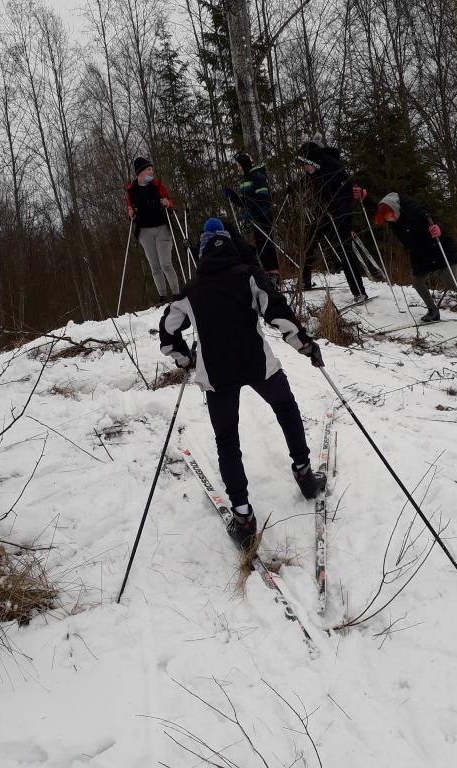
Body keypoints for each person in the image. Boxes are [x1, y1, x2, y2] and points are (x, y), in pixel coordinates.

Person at [160, 218, 326, 548]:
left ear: (203, 253)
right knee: (285, 407)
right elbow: (277, 311)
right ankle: (305, 474)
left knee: (227, 440)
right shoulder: (250, 274)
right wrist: (305, 346)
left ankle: (243, 516)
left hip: (217, 373)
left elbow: (167, 330)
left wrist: (185, 358)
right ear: (230, 246)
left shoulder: (191, 291)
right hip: (257, 362)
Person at [373, 192, 457, 324]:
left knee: (451, 282)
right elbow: (375, 208)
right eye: (387, 218)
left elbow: (436, 220)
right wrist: (365, 197)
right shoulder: (395, 222)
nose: (390, 219)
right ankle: (433, 311)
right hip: (422, 254)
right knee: (417, 283)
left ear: (395, 209)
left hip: (441, 248)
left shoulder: (416, 211)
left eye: (390, 216)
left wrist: (438, 228)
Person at [295, 141, 367, 301]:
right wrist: (293, 187)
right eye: (302, 165)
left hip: (340, 213)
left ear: (312, 161)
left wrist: (336, 210)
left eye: (305, 164)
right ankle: (305, 282)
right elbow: (307, 180)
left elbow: (346, 191)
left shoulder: (335, 168)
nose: (304, 169)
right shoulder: (314, 170)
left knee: (344, 249)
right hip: (323, 213)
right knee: (308, 241)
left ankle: (359, 292)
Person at [125, 157, 179, 302]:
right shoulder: (131, 190)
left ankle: (177, 294)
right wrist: (130, 213)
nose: (151, 172)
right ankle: (162, 297)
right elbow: (130, 209)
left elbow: (171, 205)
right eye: (149, 169)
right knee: (155, 266)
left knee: (165, 263)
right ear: (140, 172)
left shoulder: (157, 185)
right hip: (144, 231)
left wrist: (168, 203)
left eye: (152, 169)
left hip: (162, 227)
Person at [222, 152, 278, 283]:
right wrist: (233, 196)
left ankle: (274, 274)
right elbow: (245, 202)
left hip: (263, 215)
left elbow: (263, 198)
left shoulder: (257, 176)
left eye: (238, 165)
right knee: (260, 245)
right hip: (255, 217)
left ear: (244, 164)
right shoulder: (246, 179)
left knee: (266, 244)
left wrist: (253, 212)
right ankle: (269, 274)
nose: (238, 168)